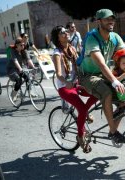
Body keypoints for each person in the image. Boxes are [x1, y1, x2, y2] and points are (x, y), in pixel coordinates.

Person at [78, 9, 125, 144]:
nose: (111, 21)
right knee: (106, 91)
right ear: (99, 21)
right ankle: (113, 132)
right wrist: (115, 81)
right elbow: (100, 63)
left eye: (112, 19)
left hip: (102, 73)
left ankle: (112, 128)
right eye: (107, 19)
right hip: (87, 75)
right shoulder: (92, 38)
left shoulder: (115, 37)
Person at [51, 25, 98, 153]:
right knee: (81, 108)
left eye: (66, 31)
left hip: (77, 83)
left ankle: (85, 114)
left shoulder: (71, 48)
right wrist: (66, 82)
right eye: (62, 32)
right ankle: (80, 136)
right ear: (58, 38)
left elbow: (80, 64)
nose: (66, 33)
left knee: (98, 93)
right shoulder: (57, 53)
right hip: (65, 88)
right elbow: (59, 74)